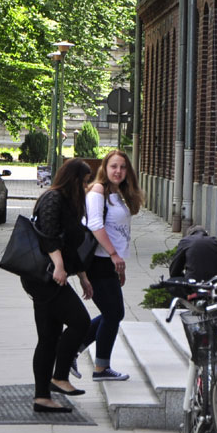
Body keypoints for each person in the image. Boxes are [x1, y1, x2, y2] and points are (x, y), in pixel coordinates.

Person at [21, 159, 94, 413]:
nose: (86, 187)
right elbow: (48, 235)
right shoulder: (53, 198)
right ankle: (59, 376)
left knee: (49, 337)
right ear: (72, 179)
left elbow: (71, 244)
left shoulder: (68, 202)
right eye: (84, 182)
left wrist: (83, 275)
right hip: (45, 277)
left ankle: (42, 397)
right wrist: (60, 266)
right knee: (80, 321)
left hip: (49, 276)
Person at [74, 150, 145, 381]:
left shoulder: (118, 194)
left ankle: (70, 349)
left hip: (111, 264)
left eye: (123, 167)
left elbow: (119, 232)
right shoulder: (98, 191)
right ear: (105, 168)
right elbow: (95, 225)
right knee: (114, 313)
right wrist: (114, 255)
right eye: (114, 166)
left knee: (112, 313)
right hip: (98, 261)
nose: (118, 171)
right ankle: (99, 367)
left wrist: (119, 263)